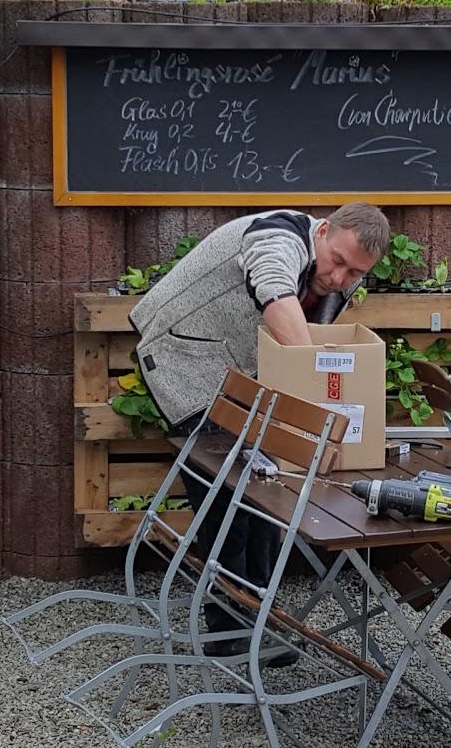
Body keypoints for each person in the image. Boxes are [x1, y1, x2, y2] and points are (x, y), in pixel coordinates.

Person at [129, 202, 390, 662]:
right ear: (323, 230)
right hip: (184, 359)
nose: (340, 278)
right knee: (224, 494)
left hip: (244, 375)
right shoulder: (279, 233)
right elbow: (274, 288)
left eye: (355, 273)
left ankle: (258, 615)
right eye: (337, 262)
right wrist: (313, 377)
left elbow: (303, 329)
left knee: (266, 493)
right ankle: (228, 632)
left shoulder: (339, 266)